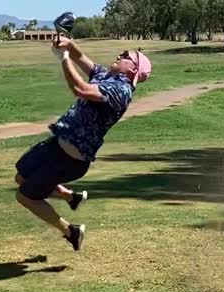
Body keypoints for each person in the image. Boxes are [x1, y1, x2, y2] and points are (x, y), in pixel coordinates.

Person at [14, 36, 152, 251]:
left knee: (24, 196)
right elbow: (82, 57)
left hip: (69, 159)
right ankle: (71, 197)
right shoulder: (106, 75)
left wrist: (64, 57)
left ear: (133, 70)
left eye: (126, 56)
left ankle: (71, 231)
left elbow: (81, 89)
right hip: (57, 145)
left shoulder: (121, 92)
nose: (120, 55)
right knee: (20, 177)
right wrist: (69, 45)